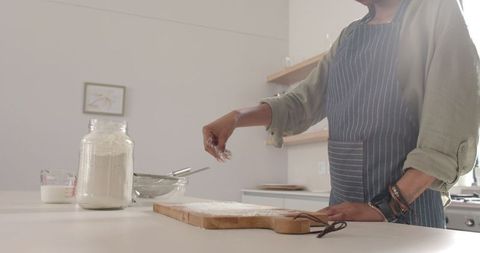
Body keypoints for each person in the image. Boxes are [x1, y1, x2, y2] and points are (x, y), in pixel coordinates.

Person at [202, 0, 479, 228]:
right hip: (344, 215)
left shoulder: (436, 11)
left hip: (409, 215)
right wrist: (237, 116)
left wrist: (387, 206)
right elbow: (301, 102)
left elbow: (448, 122)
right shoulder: (349, 37)